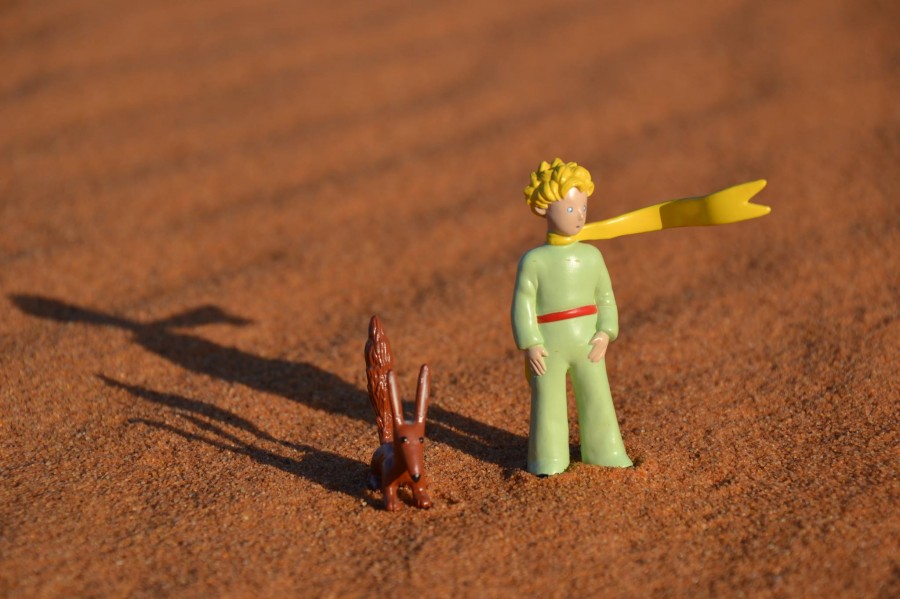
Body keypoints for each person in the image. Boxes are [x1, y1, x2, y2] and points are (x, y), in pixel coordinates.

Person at [512, 158, 632, 476]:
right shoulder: (534, 261)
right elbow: (523, 303)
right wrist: (531, 343)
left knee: (597, 397)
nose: (578, 217)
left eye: (582, 209)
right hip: (549, 343)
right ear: (542, 210)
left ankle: (605, 450)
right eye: (569, 210)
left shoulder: (592, 256)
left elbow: (605, 297)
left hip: (588, 339)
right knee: (547, 403)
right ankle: (547, 459)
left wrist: (606, 331)